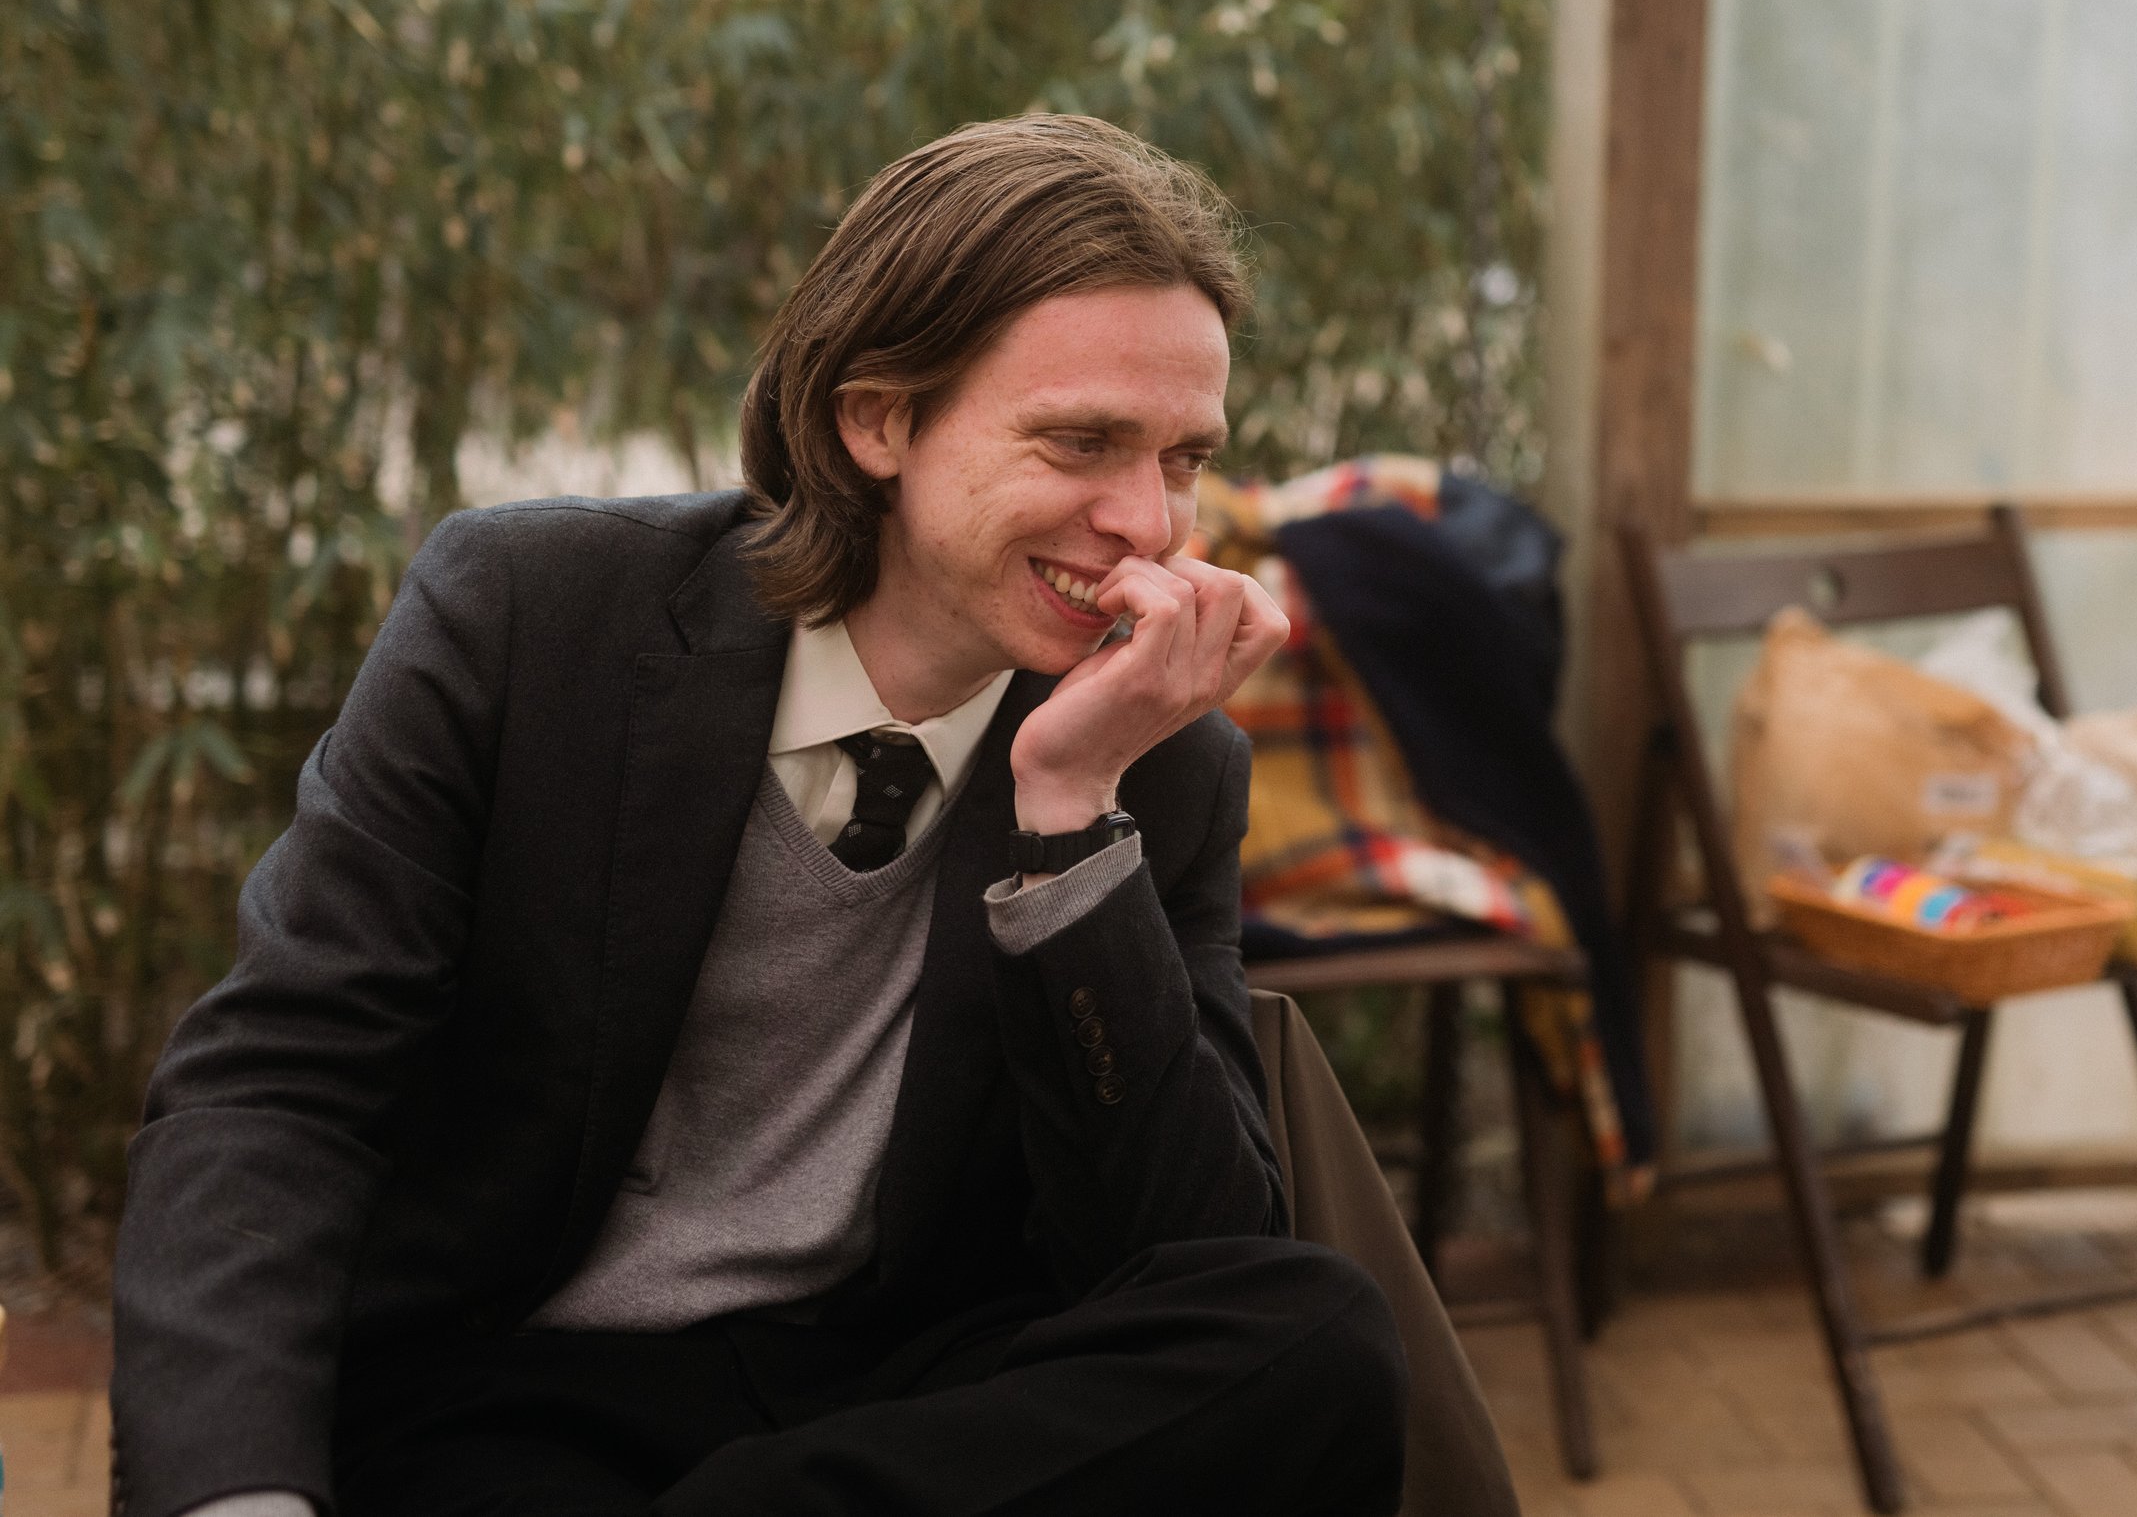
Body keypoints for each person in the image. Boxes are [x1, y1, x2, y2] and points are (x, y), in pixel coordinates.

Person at [110, 116, 1409, 1517]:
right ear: (877, 421)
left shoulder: (1157, 759)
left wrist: (1071, 814)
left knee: (1316, 1338)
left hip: (897, 1400)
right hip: (522, 1389)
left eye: (1184, 459)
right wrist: (233, 1499)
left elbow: (1186, 1261)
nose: (1147, 523)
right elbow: (278, 1085)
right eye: (1082, 442)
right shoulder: (531, 620)